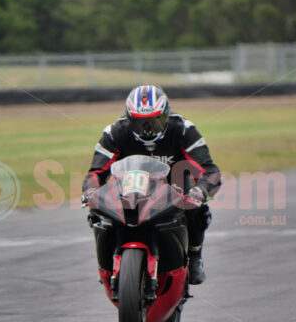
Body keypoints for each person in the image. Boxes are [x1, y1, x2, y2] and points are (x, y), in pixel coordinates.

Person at [82, 85, 221, 284]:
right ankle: (106, 263)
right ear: (129, 119)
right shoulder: (114, 132)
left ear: (166, 115)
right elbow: (96, 171)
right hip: (129, 188)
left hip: (175, 186)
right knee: (97, 211)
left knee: (199, 208)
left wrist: (201, 190)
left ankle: (194, 257)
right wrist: (91, 191)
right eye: (140, 122)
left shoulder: (183, 129)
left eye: (154, 121)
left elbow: (210, 170)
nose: (147, 129)